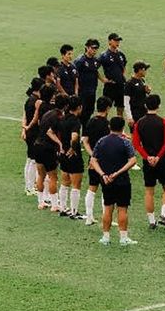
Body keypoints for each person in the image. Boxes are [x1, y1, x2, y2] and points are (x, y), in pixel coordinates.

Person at [90, 116, 138, 246]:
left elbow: (93, 160)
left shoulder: (101, 141)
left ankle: (106, 237)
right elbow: (133, 160)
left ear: (109, 127)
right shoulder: (125, 142)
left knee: (108, 208)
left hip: (106, 181)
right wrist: (118, 173)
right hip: (122, 180)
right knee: (122, 209)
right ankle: (123, 238)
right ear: (122, 128)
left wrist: (103, 174)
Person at [132, 94, 165, 229]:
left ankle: (151, 221)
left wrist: (147, 157)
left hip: (148, 162)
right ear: (158, 106)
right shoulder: (164, 122)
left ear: (145, 106)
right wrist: (158, 156)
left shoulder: (139, 123)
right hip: (162, 160)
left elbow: (136, 143)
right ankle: (164, 214)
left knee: (149, 191)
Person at [82, 96, 113, 225]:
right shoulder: (107, 124)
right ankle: (106, 218)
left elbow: (85, 141)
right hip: (105, 161)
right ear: (107, 108)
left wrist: (92, 156)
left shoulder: (90, 121)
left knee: (92, 187)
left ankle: (89, 217)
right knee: (106, 189)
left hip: (93, 161)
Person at [34, 94, 68, 212]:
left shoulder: (47, 113)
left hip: (38, 145)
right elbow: (50, 132)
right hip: (48, 148)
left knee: (41, 175)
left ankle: (41, 202)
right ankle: (54, 205)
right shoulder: (59, 117)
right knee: (53, 176)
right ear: (65, 106)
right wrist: (60, 143)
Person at [58, 96, 85, 219]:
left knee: (64, 182)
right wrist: (73, 148)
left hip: (63, 153)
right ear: (79, 107)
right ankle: (74, 212)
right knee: (76, 185)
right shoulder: (75, 121)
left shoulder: (63, 118)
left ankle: (63, 208)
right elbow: (74, 137)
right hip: (73, 156)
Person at [22, 78, 46, 196]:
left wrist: (24, 128)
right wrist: (27, 127)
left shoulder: (30, 99)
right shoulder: (36, 101)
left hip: (29, 133)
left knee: (30, 159)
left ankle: (29, 186)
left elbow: (25, 116)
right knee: (33, 161)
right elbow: (35, 119)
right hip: (34, 133)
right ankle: (30, 187)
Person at [75, 38, 104, 128]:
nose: (94, 50)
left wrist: (102, 79)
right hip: (82, 92)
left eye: (96, 48)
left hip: (92, 91)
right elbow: (74, 75)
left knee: (89, 113)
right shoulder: (80, 61)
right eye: (92, 48)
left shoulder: (95, 61)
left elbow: (95, 71)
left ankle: (85, 133)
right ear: (87, 47)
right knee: (80, 114)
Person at [100, 33, 127, 118]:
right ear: (109, 41)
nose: (117, 42)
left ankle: (119, 125)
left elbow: (124, 66)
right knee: (105, 109)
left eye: (118, 40)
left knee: (120, 108)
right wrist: (102, 79)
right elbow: (95, 67)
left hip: (120, 86)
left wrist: (122, 76)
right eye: (115, 40)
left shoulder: (121, 54)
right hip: (110, 86)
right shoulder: (104, 55)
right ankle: (103, 125)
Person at [124, 61, 151, 128]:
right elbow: (126, 101)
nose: (146, 72)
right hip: (135, 114)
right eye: (144, 70)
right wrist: (129, 117)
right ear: (140, 70)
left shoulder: (142, 80)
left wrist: (147, 92)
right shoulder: (129, 83)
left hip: (144, 112)